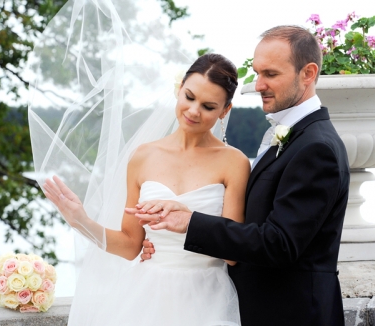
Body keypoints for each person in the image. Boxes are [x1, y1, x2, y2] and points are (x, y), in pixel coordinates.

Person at [134, 25, 350, 326]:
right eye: (257, 72)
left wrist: (190, 222)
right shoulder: (294, 136)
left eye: (271, 74)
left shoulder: (317, 148)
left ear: (308, 74)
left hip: (292, 315)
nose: (258, 84)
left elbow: (280, 243)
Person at [42, 53, 250, 325]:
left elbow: (234, 255)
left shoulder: (234, 162)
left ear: (225, 110)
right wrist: (81, 221)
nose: (193, 111)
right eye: (189, 97)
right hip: (145, 296)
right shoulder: (143, 156)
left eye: (209, 106)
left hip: (208, 296)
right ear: (179, 89)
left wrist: (190, 219)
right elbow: (130, 245)